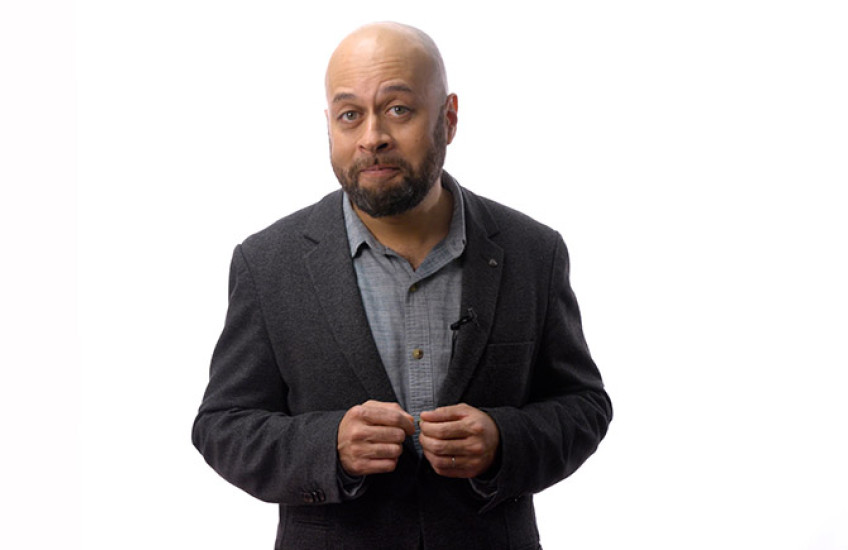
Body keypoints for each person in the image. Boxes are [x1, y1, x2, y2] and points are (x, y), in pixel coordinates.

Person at [192, 21, 612, 550]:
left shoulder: (534, 252)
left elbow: (583, 404)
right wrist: (329, 446)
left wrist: (504, 441)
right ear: (330, 127)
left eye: (398, 109)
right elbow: (222, 426)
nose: (372, 137)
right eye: (350, 115)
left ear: (449, 118)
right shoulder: (267, 262)